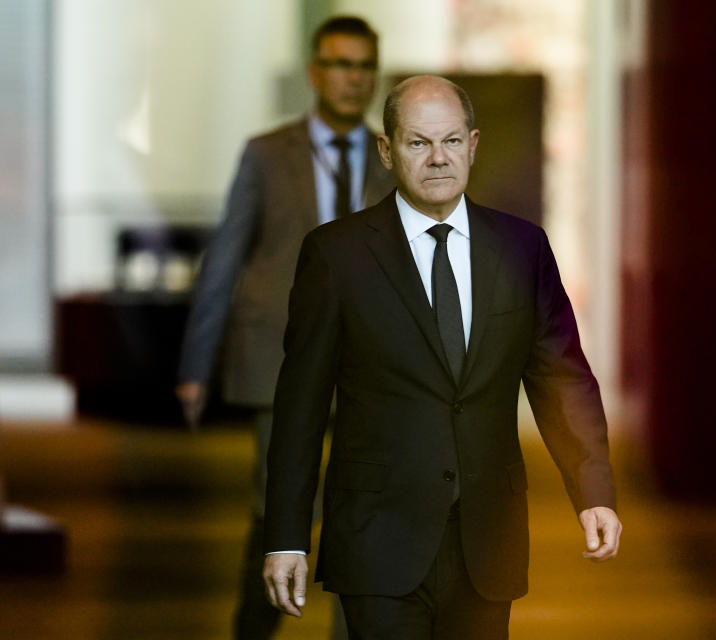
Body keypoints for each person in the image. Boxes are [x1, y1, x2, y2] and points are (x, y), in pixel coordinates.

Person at [262, 75, 622, 639]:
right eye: (417, 142)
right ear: (387, 150)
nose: (437, 158)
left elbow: (562, 379)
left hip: (487, 539)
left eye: (451, 141)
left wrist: (593, 492)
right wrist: (286, 536)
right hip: (377, 537)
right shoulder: (337, 256)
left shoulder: (522, 249)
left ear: (473, 146)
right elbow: (300, 407)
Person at [175, 16, 393, 640]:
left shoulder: (392, 158)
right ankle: (254, 629)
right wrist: (196, 365)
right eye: (340, 64)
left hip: (372, 370)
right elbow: (225, 258)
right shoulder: (268, 155)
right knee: (281, 511)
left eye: (363, 65)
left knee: (363, 515)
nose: (352, 78)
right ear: (315, 72)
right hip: (280, 359)